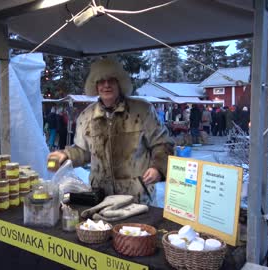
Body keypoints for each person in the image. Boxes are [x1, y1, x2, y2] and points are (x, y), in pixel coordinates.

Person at [47, 59, 174, 204]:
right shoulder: (87, 116)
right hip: (101, 198)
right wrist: (65, 155)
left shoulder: (142, 111)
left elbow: (163, 144)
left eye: (111, 80)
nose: (106, 85)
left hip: (137, 199)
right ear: (95, 86)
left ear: (119, 83)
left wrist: (158, 168)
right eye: (101, 81)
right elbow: (84, 151)